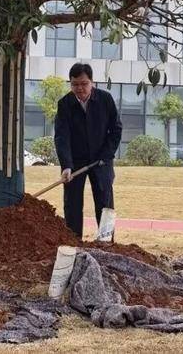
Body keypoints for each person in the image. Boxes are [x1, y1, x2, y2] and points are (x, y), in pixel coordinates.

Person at [54, 63, 122, 238]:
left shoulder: (105, 100)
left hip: (102, 160)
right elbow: (62, 137)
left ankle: (106, 241)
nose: (80, 88)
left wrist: (106, 155)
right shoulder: (65, 104)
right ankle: (73, 243)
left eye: (84, 84)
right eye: (75, 84)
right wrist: (66, 165)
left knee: (105, 203)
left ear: (92, 82)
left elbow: (115, 129)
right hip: (75, 161)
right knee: (72, 204)